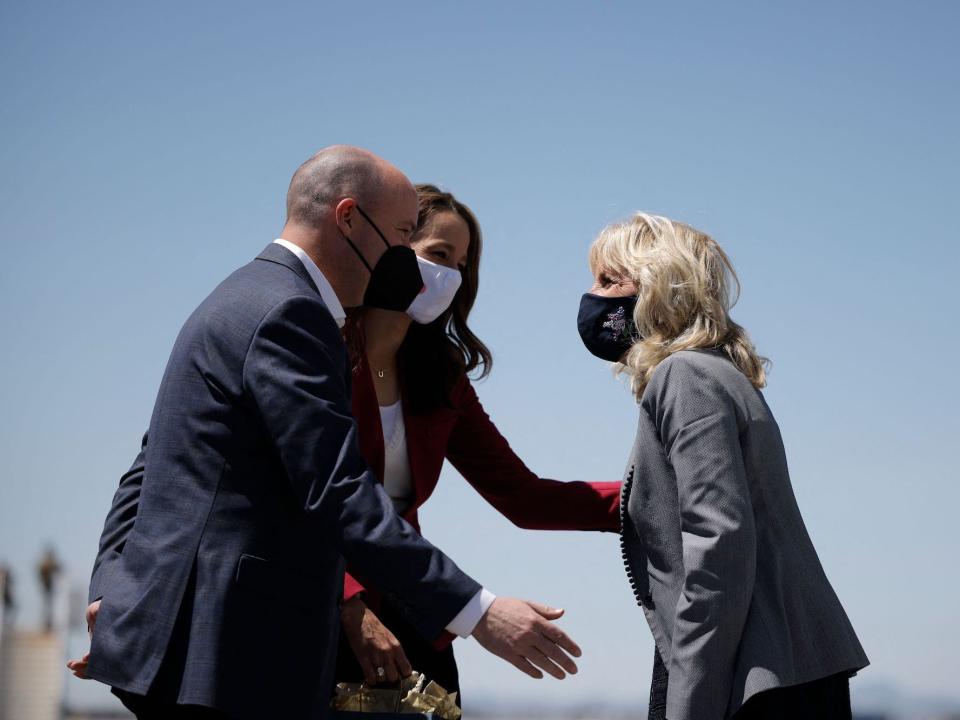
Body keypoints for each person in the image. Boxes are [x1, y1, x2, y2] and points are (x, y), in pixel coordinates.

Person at [66, 146, 582, 719]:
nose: (412, 263)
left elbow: (149, 467)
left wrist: (111, 586)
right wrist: (479, 612)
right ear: (348, 219)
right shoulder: (292, 313)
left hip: (199, 651)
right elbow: (337, 491)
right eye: (403, 232)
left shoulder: (241, 295)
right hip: (231, 653)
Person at [575, 213, 869, 720]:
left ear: (656, 285)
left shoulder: (684, 376)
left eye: (609, 280)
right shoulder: (722, 375)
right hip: (782, 667)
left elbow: (719, 548)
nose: (592, 296)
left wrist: (691, 702)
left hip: (750, 678)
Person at [335, 185, 621, 697]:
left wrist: (648, 498)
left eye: (462, 264)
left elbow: (523, 495)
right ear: (393, 248)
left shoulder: (442, 378)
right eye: (439, 255)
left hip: (411, 613)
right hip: (319, 611)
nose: (450, 275)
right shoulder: (320, 354)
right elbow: (295, 496)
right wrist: (348, 605)